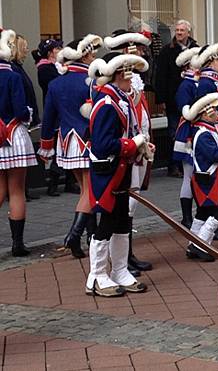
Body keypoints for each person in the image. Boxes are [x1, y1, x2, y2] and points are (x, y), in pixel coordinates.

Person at [86, 52, 152, 296]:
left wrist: (141, 145)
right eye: (128, 72)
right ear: (117, 75)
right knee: (108, 221)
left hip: (121, 168)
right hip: (108, 170)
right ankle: (97, 275)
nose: (132, 77)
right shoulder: (106, 103)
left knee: (122, 220)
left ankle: (120, 270)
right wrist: (133, 144)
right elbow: (102, 144)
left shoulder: (119, 99)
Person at [38, 34, 103, 259]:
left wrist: (46, 145)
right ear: (83, 54)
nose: (94, 56)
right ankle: (74, 236)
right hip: (88, 140)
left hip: (67, 141)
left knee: (86, 190)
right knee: (90, 191)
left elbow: (49, 118)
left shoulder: (56, 83)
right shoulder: (93, 82)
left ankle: (89, 237)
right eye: (92, 53)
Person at [104, 30, 154, 275]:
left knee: (132, 204)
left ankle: (127, 257)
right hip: (124, 150)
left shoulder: (134, 77)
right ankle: (117, 263)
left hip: (138, 145)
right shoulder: (112, 81)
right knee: (124, 206)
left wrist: (145, 141)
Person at [181, 80, 218, 261]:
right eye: (211, 110)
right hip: (206, 178)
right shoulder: (203, 133)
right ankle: (201, 244)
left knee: (203, 213)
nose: (216, 112)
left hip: (207, 177)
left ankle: (193, 244)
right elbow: (214, 154)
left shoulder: (207, 130)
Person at [0, 29, 37, 256]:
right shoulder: (13, 76)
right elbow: (22, 112)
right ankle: (17, 244)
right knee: (16, 191)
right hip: (13, 135)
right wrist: (30, 114)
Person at [155, 20, 198, 177]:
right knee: (174, 132)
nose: (179, 33)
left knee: (189, 132)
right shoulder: (167, 51)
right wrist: (162, 100)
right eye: (177, 30)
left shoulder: (195, 49)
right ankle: (173, 165)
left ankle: (188, 162)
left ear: (188, 32)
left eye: (182, 30)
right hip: (173, 100)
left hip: (192, 101)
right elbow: (161, 76)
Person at [173, 46, 202, 231]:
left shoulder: (198, 82)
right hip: (188, 133)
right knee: (188, 175)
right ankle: (186, 216)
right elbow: (185, 110)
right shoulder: (186, 85)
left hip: (198, 131)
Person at [33, 38, 64, 197]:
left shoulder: (56, 66)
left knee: (65, 146)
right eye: (57, 48)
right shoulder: (45, 69)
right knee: (58, 146)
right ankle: (53, 183)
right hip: (55, 111)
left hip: (63, 111)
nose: (61, 50)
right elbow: (57, 85)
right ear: (51, 52)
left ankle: (69, 182)